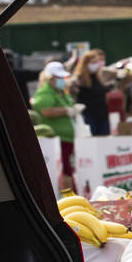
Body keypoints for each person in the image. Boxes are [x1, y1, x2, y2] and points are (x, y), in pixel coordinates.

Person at [30, 61, 78, 193]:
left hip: (67, 138)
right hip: (58, 138)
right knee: (65, 170)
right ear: (50, 78)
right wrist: (66, 111)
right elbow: (45, 110)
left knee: (69, 169)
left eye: (63, 77)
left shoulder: (61, 91)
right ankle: (69, 196)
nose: (62, 80)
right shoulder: (45, 91)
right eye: (59, 77)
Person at [71, 49, 111, 136]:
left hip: (102, 116)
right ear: (85, 64)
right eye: (93, 62)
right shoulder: (79, 79)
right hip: (88, 116)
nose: (96, 65)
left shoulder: (98, 77)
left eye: (97, 62)